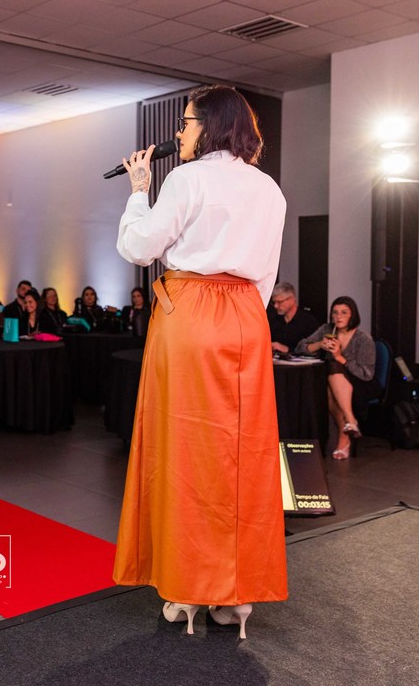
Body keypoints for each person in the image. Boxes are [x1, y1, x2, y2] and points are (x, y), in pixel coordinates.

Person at [113, 84, 288, 639]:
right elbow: (265, 275)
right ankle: (236, 598)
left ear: (209, 125)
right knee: (243, 454)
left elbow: (139, 247)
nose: (180, 132)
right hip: (247, 318)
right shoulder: (270, 189)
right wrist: (241, 316)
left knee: (185, 450)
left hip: (190, 316)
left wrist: (138, 192)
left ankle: (187, 589)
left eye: (186, 122)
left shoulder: (185, 179)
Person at [296, 296, 377, 460]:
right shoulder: (327, 329)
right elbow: (299, 347)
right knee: (328, 385)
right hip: (334, 383)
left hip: (360, 383)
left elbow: (366, 374)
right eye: (335, 313)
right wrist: (320, 344)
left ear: (353, 315)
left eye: (344, 312)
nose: (339, 317)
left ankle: (347, 427)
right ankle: (348, 426)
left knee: (334, 367)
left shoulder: (363, 339)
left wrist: (340, 357)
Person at [269, 282, 321, 355]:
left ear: (292, 299)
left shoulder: (309, 322)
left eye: (279, 302)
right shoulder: (273, 321)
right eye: (274, 302)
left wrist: (287, 349)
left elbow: (314, 351)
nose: (276, 306)